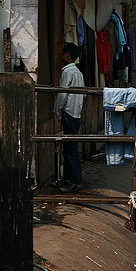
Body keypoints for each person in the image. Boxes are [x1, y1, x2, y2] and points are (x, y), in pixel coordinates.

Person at [54, 43, 85, 193]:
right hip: (76, 113)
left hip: (69, 113)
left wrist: (58, 111)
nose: (62, 57)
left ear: (67, 55)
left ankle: (76, 181)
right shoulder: (78, 73)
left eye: (64, 54)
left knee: (71, 148)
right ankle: (68, 178)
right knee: (68, 147)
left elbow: (62, 94)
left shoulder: (68, 72)